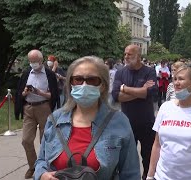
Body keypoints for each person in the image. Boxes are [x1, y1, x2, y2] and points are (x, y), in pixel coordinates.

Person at [34, 56, 141, 180]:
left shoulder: (119, 122)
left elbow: (130, 173)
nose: (84, 85)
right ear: (70, 84)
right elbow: (41, 160)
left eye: (92, 80)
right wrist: (41, 175)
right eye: (78, 79)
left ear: (103, 86)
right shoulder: (55, 119)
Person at [147, 64, 191, 180]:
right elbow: (157, 145)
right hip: (162, 177)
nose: (176, 83)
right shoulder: (165, 108)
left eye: (181, 79)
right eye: (175, 79)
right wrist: (150, 176)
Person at [112, 45, 158, 180]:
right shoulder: (120, 72)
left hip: (146, 122)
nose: (126, 57)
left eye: (130, 54)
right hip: (126, 123)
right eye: (125, 54)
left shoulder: (149, 72)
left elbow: (149, 93)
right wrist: (140, 91)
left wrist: (124, 88)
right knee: (126, 158)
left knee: (148, 156)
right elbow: (116, 96)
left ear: (138, 56)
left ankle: (147, 177)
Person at [14, 50, 58, 179]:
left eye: (35, 61)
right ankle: (33, 166)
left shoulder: (49, 74)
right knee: (26, 140)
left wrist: (39, 92)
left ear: (41, 60)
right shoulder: (27, 73)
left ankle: (45, 168)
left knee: (45, 140)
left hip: (44, 107)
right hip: (28, 108)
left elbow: (53, 95)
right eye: (31, 61)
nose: (33, 64)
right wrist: (25, 93)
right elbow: (20, 93)